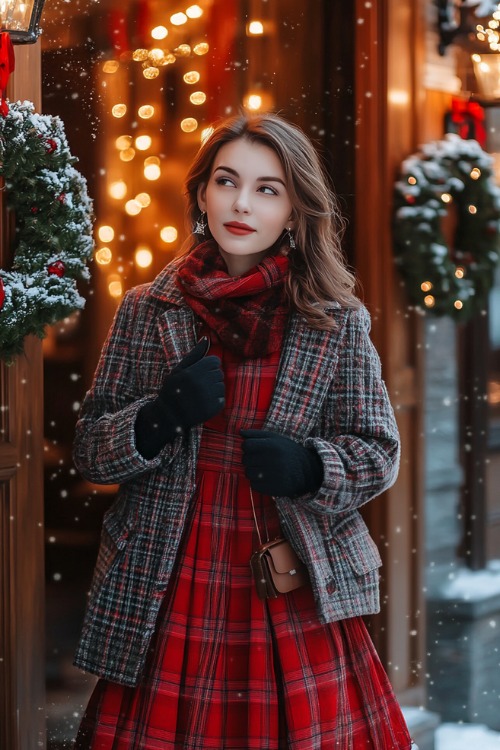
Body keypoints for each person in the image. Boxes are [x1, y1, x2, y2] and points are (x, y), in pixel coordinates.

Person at [72, 112, 416, 749]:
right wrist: (157, 419)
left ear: (294, 209)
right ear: (201, 193)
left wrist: (312, 467)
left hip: (287, 579)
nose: (242, 202)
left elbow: (378, 452)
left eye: (268, 188)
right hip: (169, 577)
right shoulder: (150, 309)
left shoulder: (333, 321)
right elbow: (91, 447)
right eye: (227, 182)